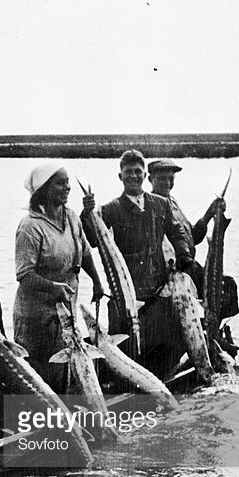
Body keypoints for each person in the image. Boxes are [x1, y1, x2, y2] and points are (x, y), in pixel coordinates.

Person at [81, 149, 193, 377]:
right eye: (128, 172)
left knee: (164, 351)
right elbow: (93, 241)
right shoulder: (110, 209)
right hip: (126, 298)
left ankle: (163, 384)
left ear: (145, 175)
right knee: (126, 356)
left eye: (137, 172)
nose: (133, 176)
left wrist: (184, 256)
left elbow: (177, 231)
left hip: (158, 292)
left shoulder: (160, 204)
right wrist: (87, 213)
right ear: (120, 176)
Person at [14, 162, 105, 393]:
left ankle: (63, 420)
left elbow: (84, 251)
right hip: (37, 317)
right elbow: (25, 276)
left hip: (65, 309)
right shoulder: (30, 227)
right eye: (60, 183)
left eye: (67, 182)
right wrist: (54, 287)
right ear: (44, 189)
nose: (67, 187)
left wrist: (96, 280)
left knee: (65, 368)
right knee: (41, 375)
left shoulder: (71, 217)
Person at [147, 158, 239, 344]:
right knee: (220, 290)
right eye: (162, 178)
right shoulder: (153, 205)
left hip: (190, 265)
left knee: (229, 286)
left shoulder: (172, 202)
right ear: (150, 179)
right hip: (176, 271)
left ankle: (211, 330)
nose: (167, 182)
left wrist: (210, 213)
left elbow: (192, 238)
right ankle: (207, 333)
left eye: (171, 178)